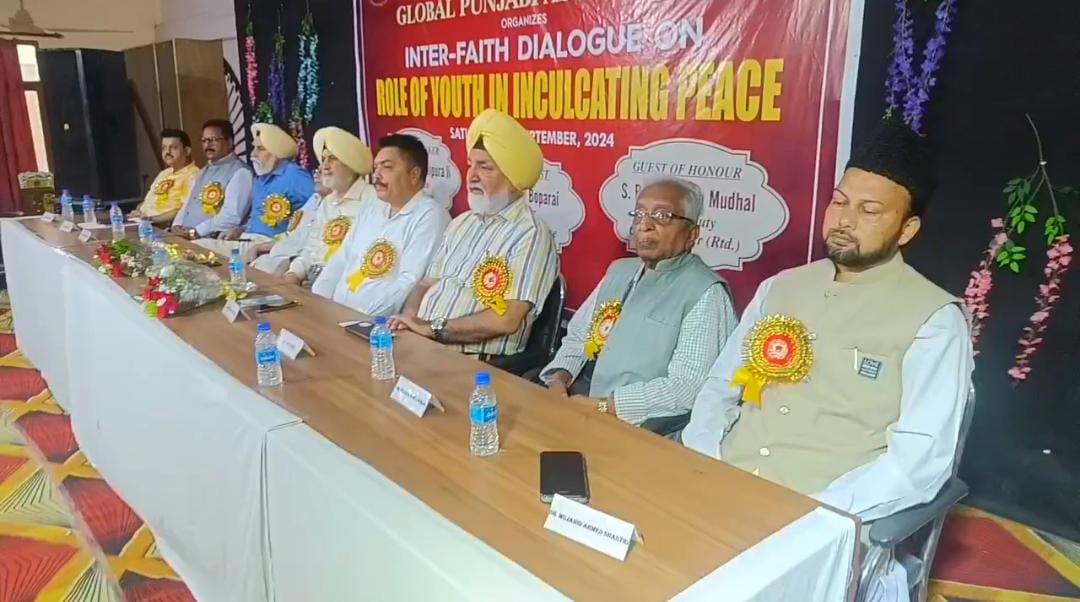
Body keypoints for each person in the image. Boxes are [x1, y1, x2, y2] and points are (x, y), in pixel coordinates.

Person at [682, 116, 973, 600]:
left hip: (819, 526)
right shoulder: (780, 288)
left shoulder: (935, 320)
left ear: (907, 229)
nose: (845, 219)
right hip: (721, 488)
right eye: (839, 201)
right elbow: (720, 389)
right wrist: (706, 462)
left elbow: (918, 461)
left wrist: (817, 513)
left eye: (869, 210)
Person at [537, 178, 737, 435]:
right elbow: (578, 337)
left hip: (643, 428)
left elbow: (686, 388)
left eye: (662, 216)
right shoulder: (619, 271)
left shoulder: (705, 291)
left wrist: (606, 406)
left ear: (692, 235)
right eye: (640, 213)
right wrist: (559, 379)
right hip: (582, 404)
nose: (644, 225)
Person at [388, 109, 558, 360]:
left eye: (485, 167)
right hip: (422, 345)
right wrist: (409, 319)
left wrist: (432, 329)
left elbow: (507, 319)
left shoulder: (531, 234)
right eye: (470, 165)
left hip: (475, 364)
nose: (472, 176)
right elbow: (426, 283)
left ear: (513, 181)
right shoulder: (461, 223)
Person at [313, 133, 450, 315]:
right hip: (336, 313)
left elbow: (408, 282)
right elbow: (342, 258)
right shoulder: (373, 208)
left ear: (414, 174)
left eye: (387, 167)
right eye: (376, 168)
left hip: (372, 322)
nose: (377, 175)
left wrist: (361, 319)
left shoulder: (430, 216)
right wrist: (317, 303)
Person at [251, 126, 376, 285]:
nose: (324, 166)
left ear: (350, 164)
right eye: (323, 159)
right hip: (310, 279)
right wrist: (293, 274)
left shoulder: (372, 200)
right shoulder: (327, 203)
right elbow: (311, 249)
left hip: (342, 283)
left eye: (332, 158)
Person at [194, 123, 314, 262]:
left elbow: (318, 207)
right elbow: (256, 218)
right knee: (195, 248)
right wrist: (239, 229)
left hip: (271, 246)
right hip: (246, 240)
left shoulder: (295, 176)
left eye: (260, 149)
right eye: (254, 148)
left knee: (199, 249)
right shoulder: (260, 178)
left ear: (277, 153)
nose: (253, 154)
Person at [170, 119, 253, 240]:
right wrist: (176, 225)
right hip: (186, 236)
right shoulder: (203, 171)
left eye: (213, 140)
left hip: (209, 240)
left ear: (229, 142)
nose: (207, 145)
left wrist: (196, 231)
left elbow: (231, 216)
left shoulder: (241, 172)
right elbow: (189, 203)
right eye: (204, 140)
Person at [130, 128, 200, 225]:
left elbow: (183, 210)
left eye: (173, 147)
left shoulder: (194, 175)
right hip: (144, 223)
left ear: (187, 151)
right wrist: (137, 212)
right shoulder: (164, 173)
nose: (167, 152)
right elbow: (147, 201)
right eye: (164, 148)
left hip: (164, 227)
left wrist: (151, 219)